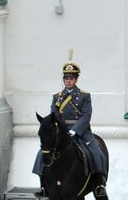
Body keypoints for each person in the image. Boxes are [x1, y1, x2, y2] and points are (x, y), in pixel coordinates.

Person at [32, 55, 107, 191]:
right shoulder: (57, 96)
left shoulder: (84, 96)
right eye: (66, 78)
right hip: (62, 131)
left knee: (96, 152)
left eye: (71, 78)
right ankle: (43, 186)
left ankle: (99, 183)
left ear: (76, 79)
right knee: (42, 153)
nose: (68, 81)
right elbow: (53, 116)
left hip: (80, 130)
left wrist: (75, 130)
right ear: (63, 80)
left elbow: (86, 116)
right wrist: (60, 130)